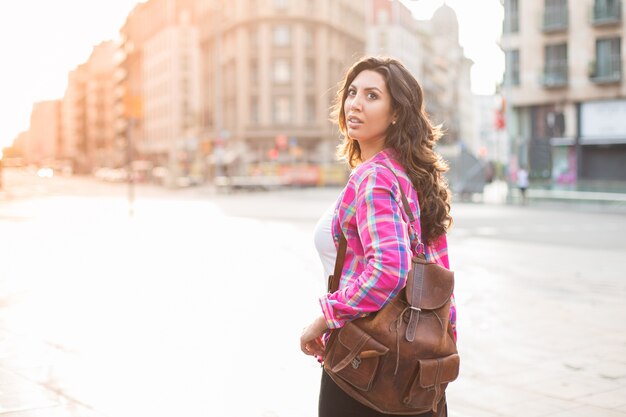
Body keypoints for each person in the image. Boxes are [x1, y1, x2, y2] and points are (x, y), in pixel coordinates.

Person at [300, 56, 455, 417]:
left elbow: (389, 270)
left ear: (396, 112)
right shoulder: (411, 176)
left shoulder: (374, 178)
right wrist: (441, 350)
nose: (354, 102)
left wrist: (324, 319)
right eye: (351, 92)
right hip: (414, 366)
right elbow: (440, 274)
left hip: (365, 359)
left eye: (372, 96)